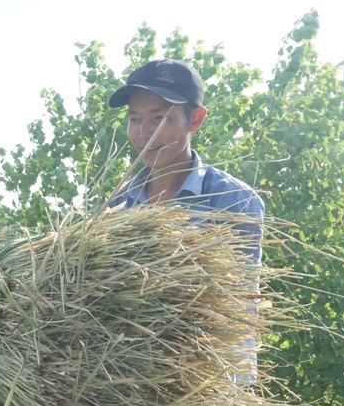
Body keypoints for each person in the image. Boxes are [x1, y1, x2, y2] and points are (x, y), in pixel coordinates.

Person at [107, 59, 264, 377]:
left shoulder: (232, 200)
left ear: (195, 118)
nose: (144, 133)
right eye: (134, 118)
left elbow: (236, 307)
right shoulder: (119, 205)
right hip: (135, 382)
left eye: (159, 118)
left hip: (210, 384)